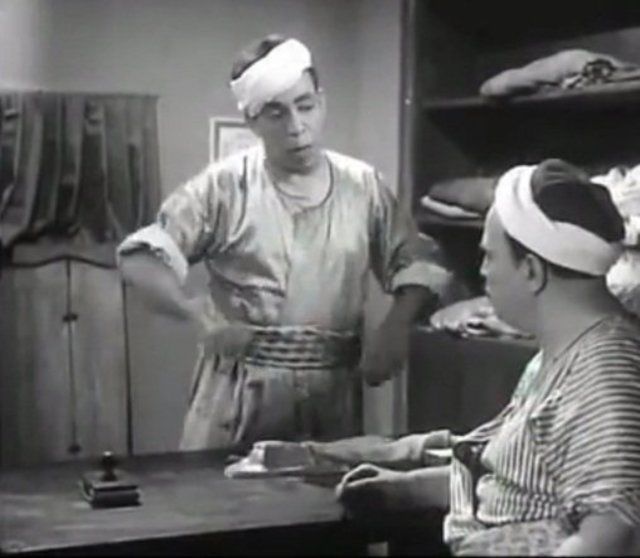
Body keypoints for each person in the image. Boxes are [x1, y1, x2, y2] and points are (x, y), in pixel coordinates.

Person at [116, 34, 440, 451]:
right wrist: (194, 312)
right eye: (276, 113)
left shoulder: (363, 186)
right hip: (240, 394)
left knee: (326, 491)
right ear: (252, 121)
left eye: (305, 106)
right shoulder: (225, 186)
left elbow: (415, 262)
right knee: (225, 492)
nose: (296, 127)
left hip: (333, 400)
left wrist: (396, 325)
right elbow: (140, 258)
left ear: (321, 101)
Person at [333, 159, 640, 555]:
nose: (482, 271)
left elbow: (611, 535)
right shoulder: (559, 355)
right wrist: (404, 489)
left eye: (490, 256)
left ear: (531, 271)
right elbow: (513, 482)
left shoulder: (604, 373)